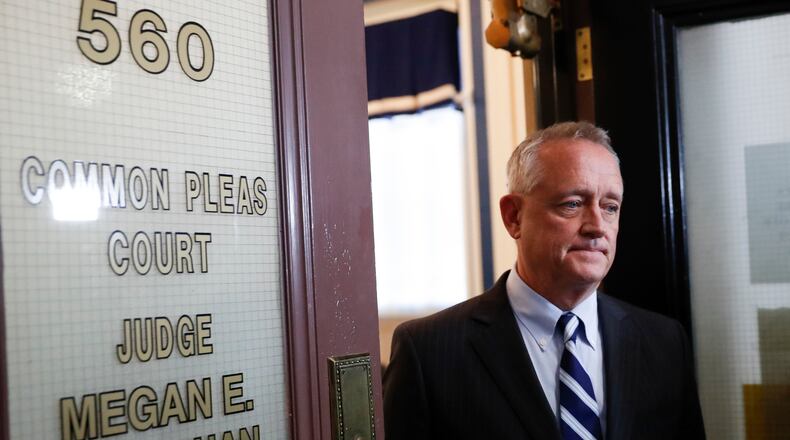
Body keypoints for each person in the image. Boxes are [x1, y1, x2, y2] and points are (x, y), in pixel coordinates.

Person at [383, 121, 706, 440]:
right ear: (514, 217)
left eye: (610, 207)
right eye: (573, 204)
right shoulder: (429, 351)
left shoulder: (664, 343)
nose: (597, 226)